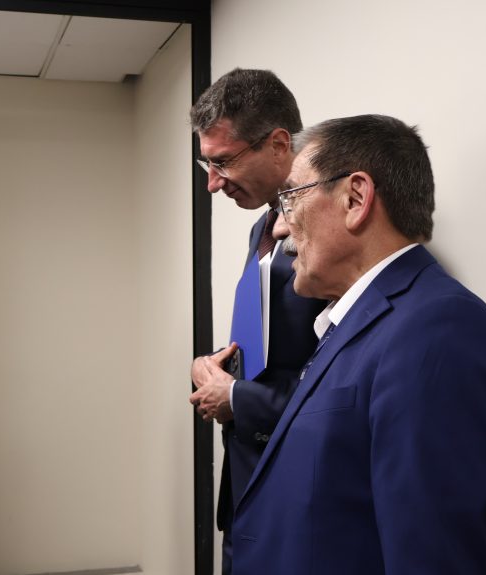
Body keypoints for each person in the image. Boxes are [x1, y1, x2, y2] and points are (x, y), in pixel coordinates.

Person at [226, 114, 486, 574]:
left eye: (291, 198)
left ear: (355, 199)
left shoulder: (440, 332)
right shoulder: (360, 323)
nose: (280, 228)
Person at [187, 68, 327, 575]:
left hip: (300, 487)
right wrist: (217, 370)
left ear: (278, 144)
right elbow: (273, 349)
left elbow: (338, 379)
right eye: (207, 163)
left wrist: (238, 397)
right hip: (247, 473)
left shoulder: (328, 236)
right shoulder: (261, 229)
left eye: (223, 162)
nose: (211, 183)